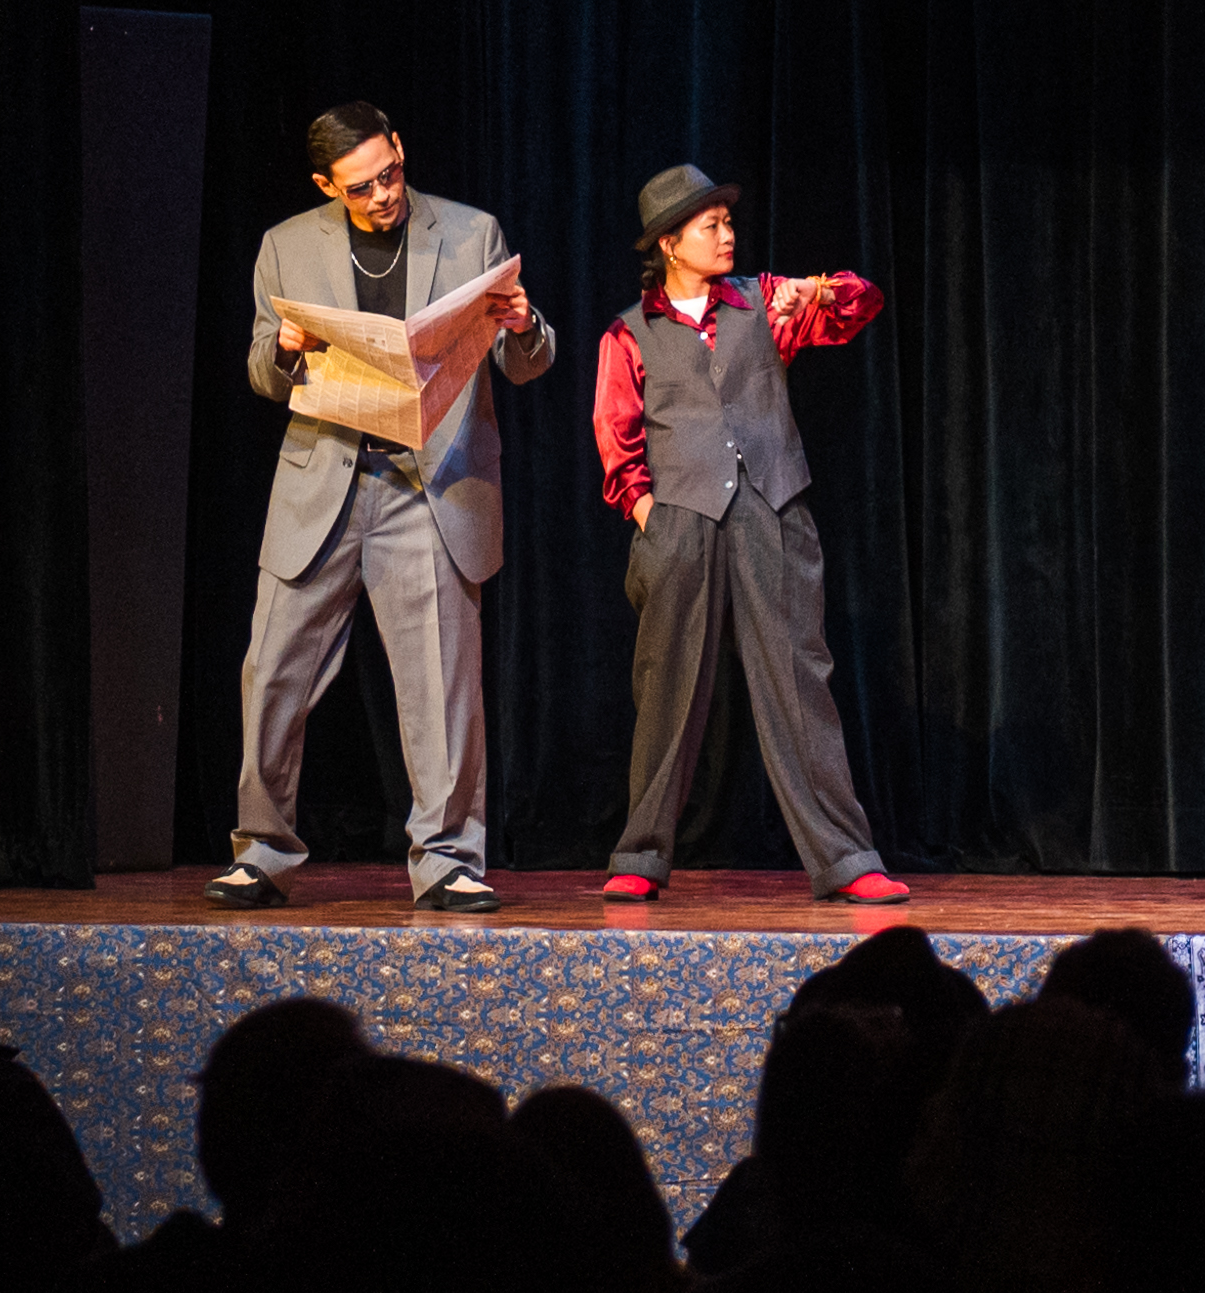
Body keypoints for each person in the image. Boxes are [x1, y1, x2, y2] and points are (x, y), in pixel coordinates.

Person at [219, 101, 554, 914]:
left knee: (441, 687)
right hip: (325, 478)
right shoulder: (286, 247)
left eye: (391, 172)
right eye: (361, 186)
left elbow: (527, 361)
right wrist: (285, 349)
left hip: (427, 487)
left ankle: (447, 859)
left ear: (401, 148)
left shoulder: (473, 233)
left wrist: (522, 324)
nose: (382, 195)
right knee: (272, 674)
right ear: (326, 185)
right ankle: (261, 852)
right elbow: (265, 375)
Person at [592, 165, 909, 906]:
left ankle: (845, 856)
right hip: (681, 523)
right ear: (671, 244)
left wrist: (821, 290)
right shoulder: (629, 332)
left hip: (771, 511)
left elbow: (861, 305)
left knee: (800, 681)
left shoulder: (765, 302)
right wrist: (650, 517)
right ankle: (640, 851)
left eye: (728, 224)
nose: (727, 234)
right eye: (710, 226)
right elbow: (617, 442)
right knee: (668, 687)